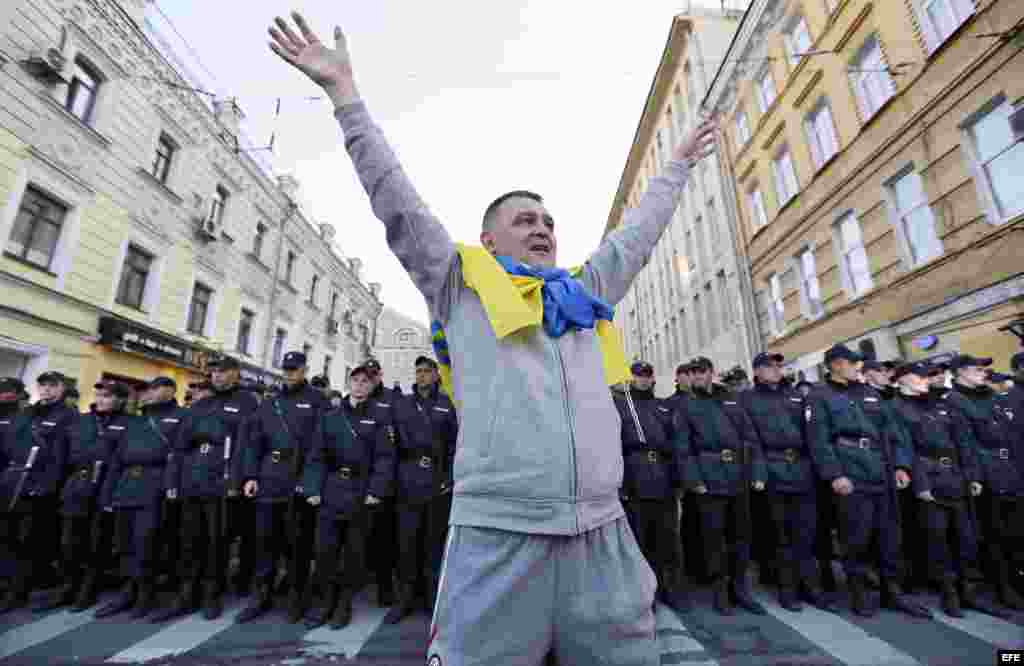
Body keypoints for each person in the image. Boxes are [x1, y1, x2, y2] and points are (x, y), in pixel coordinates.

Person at [267, 11, 717, 663]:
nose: (543, 229)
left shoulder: (583, 293)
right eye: (525, 220)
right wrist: (346, 98)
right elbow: (396, 202)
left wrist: (677, 166)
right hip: (498, 535)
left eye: (549, 222)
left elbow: (638, 236)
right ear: (489, 239)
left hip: (602, 531)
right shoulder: (459, 284)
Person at [805, 345, 931, 618]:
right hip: (850, 470)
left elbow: (892, 430)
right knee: (856, 536)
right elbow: (818, 440)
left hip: (880, 469)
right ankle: (858, 591)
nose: (857, 367)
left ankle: (891, 591)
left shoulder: (868, 393)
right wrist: (834, 474)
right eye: (852, 363)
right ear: (835, 365)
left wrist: (900, 465)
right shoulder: (819, 395)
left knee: (888, 534)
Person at [888, 361, 1004, 618]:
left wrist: (972, 475)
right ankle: (948, 592)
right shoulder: (895, 408)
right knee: (938, 539)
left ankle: (969, 592)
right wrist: (921, 484)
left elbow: (963, 441)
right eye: (919, 376)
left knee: (965, 537)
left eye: (927, 376)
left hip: (955, 477)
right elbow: (904, 447)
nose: (925, 380)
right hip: (929, 478)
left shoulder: (941, 403)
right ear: (903, 379)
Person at [158, 357, 260, 621]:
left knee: (217, 542)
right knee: (190, 540)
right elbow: (180, 447)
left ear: (235, 373)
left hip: (221, 481)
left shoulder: (247, 403)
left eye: (222, 372)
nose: (217, 376)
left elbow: (247, 445)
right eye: (213, 372)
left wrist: (237, 481)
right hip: (193, 479)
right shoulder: (201, 404)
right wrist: (173, 481)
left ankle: (211, 594)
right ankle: (187, 593)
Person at [740, 353, 835, 612]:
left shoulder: (796, 395)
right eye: (769, 366)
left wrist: (820, 469)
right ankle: (787, 589)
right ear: (757, 371)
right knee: (780, 535)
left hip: (802, 470)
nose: (776, 370)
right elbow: (750, 439)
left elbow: (813, 433)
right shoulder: (747, 399)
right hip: (773, 469)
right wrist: (759, 473)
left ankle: (811, 587)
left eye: (778, 365)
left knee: (807, 532)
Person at [303, 364, 395, 629]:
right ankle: (325, 603)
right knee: (325, 552)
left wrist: (376, 490)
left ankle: (343, 604)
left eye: (365, 382)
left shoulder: (380, 417)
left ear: (372, 386)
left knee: (353, 554)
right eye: (355, 380)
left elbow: (385, 458)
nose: (359, 385)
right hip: (332, 490)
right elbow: (316, 456)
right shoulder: (331, 416)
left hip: (360, 491)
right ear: (349, 383)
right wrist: (313, 488)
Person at [238, 351, 326, 624]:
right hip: (269, 478)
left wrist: (310, 483)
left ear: (304, 370)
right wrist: (251, 476)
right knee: (265, 542)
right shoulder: (270, 401)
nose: (289, 374)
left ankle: (296, 597)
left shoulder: (318, 400)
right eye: (286, 369)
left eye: (294, 369)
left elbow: (321, 445)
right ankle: (261, 595)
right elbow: (254, 442)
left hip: (298, 479)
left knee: (298, 544)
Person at [678, 356, 765, 615]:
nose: (697, 376)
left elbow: (751, 438)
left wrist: (757, 472)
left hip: (738, 476)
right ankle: (720, 591)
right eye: (693, 372)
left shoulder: (731, 399)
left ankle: (741, 589)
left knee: (741, 536)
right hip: (709, 479)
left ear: (711, 372)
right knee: (714, 538)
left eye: (701, 371)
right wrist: (694, 480)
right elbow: (683, 448)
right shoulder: (686, 405)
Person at [945, 354, 1024, 611]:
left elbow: (1011, 433)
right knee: (995, 533)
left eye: (983, 369)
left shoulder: (991, 395)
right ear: (960, 372)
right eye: (977, 369)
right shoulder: (955, 400)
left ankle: (1017, 579)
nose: (983, 373)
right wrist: (975, 476)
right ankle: (1003, 586)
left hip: (1009, 467)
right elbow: (965, 442)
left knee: (1017, 529)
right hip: (986, 470)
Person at [615, 361, 690, 614]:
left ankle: (672, 589)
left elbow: (677, 443)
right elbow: (616, 446)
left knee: (669, 540)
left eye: (647, 375)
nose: (643, 379)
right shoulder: (622, 405)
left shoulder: (663, 406)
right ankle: (647, 593)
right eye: (638, 375)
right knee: (641, 540)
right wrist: (622, 482)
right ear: (631, 378)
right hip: (636, 479)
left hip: (663, 478)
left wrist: (678, 479)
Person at [93, 381, 172, 619]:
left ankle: (146, 593)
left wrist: (168, 488)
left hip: (152, 487)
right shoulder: (133, 423)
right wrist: (108, 494)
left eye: (150, 391)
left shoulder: (176, 418)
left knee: (145, 543)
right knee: (124, 543)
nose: (145, 395)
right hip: (127, 486)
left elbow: (175, 457)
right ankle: (127, 591)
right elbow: (116, 461)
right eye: (143, 392)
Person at [0, 371, 76, 612]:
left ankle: (18, 591)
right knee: (7, 536)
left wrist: (46, 486)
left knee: (27, 541)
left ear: (62, 388)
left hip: (39, 485)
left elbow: (61, 457)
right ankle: (6, 583)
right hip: (13, 481)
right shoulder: (26, 413)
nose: (46, 389)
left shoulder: (69, 416)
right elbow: (9, 445)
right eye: (42, 385)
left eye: (52, 385)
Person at [390, 356, 458, 622]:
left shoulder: (447, 404)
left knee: (433, 544)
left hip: (436, 483)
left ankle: (432, 599)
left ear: (436, 374)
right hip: (408, 481)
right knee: (406, 544)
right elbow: (392, 445)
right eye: (418, 371)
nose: (422, 375)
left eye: (427, 371)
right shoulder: (402, 404)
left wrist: (449, 478)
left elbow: (454, 446)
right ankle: (403, 599)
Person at [139, 377, 187, 602]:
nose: (150, 392)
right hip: (139, 482)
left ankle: (165, 579)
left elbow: (180, 452)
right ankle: (141, 582)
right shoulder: (144, 414)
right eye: (150, 388)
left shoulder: (182, 415)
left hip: (165, 482)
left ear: (170, 391)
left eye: (155, 388)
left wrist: (172, 483)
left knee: (163, 533)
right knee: (141, 535)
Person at [360, 357, 400, 606]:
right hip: (360, 475)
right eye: (366, 375)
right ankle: (360, 576)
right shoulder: (357, 397)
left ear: (380, 375)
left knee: (384, 534)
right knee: (360, 532)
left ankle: (385, 586)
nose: (370, 379)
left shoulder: (393, 399)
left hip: (384, 475)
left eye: (373, 375)